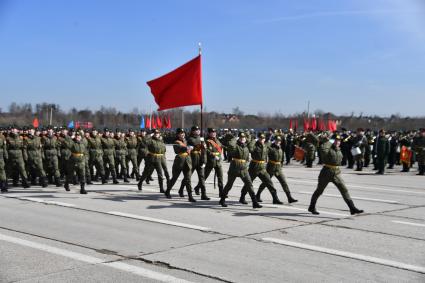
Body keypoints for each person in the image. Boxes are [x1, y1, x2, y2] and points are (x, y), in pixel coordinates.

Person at [308, 135, 364, 215]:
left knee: (344, 190)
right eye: (336, 140)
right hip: (326, 172)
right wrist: (329, 141)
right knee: (319, 191)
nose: (338, 142)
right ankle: (312, 207)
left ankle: (352, 208)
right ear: (332, 141)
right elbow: (323, 150)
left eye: (339, 141)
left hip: (336, 172)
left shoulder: (338, 150)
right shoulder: (327, 148)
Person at [219, 132, 262, 209]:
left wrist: (250, 137)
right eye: (241, 138)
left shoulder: (246, 146)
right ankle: (222, 199)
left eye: (244, 138)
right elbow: (231, 146)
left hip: (244, 169)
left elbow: (251, 142)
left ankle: (254, 202)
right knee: (229, 185)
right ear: (238, 138)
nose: (243, 139)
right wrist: (234, 138)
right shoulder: (235, 145)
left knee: (249, 184)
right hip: (234, 168)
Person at [240, 132, 282, 205]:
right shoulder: (254, 145)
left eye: (263, 138)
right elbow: (250, 149)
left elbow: (272, 150)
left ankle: (275, 198)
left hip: (262, 168)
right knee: (248, 183)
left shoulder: (265, 146)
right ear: (258, 138)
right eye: (260, 138)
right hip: (254, 167)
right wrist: (254, 140)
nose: (262, 139)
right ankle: (242, 197)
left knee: (269, 182)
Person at [256, 136, 298, 203]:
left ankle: (289, 197)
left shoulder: (280, 148)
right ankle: (257, 195)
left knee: (284, 182)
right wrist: (268, 141)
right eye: (276, 140)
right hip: (271, 167)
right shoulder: (271, 147)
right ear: (274, 140)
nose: (278, 142)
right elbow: (265, 148)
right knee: (266, 182)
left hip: (278, 168)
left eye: (279, 141)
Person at [165, 128, 196, 202]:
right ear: (178, 134)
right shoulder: (176, 142)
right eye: (181, 133)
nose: (183, 134)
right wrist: (187, 148)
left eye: (183, 133)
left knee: (188, 179)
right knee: (174, 178)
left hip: (187, 161)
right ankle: (167, 191)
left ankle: (190, 196)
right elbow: (177, 150)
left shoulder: (186, 141)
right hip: (179, 161)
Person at [204, 128, 224, 197]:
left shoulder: (217, 140)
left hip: (218, 161)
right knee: (204, 176)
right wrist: (213, 154)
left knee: (220, 177)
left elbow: (220, 148)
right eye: (212, 132)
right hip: (210, 161)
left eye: (214, 132)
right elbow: (206, 150)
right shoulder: (207, 141)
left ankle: (221, 193)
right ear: (209, 133)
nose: (214, 133)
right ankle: (198, 187)